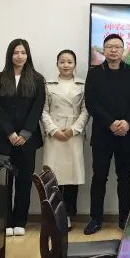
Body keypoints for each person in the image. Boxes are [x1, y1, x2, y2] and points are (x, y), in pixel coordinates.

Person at [84, 34, 130, 235]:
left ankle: (124, 218)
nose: (113, 50)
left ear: (122, 50)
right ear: (103, 50)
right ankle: (95, 218)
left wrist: (127, 122)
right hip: (102, 134)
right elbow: (91, 102)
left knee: (125, 177)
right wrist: (110, 123)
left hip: (127, 134)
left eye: (117, 47)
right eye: (109, 46)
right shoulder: (94, 73)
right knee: (99, 177)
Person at [0, 38, 46, 237]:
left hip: (26, 140)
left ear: (28, 55)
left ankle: (20, 221)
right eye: (16, 52)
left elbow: (37, 109)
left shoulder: (37, 79)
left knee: (24, 182)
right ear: (9, 55)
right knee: (2, 182)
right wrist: (10, 133)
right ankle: (5, 221)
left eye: (23, 52)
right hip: (1, 138)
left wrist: (25, 133)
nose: (19, 56)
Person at [40, 49, 90, 228]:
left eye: (69, 62)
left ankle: (68, 214)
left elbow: (86, 110)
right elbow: (43, 110)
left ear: (75, 64)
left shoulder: (83, 85)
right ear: (57, 64)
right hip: (54, 135)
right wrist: (53, 130)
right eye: (62, 62)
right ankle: (53, 215)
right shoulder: (48, 84)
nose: (66, 65)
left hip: (73, 135)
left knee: (71, 178)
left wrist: (73, 130)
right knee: (53, 177)